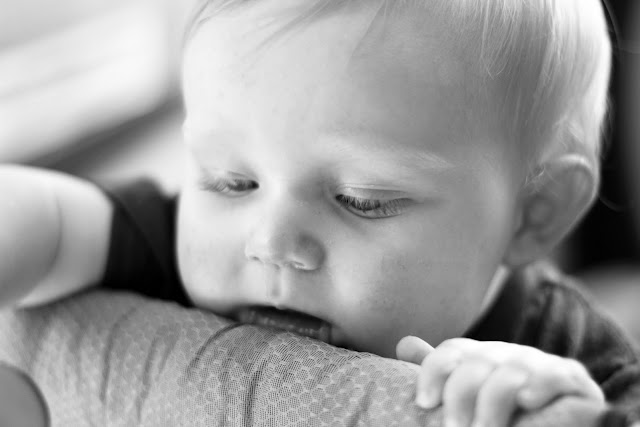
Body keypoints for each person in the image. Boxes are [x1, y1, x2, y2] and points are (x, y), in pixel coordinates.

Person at [1, 0, 638, 426]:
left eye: (362, 199)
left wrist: (555, 401)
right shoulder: (180, 238)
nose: (271, 242)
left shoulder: (567, 350)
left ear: (533, 214)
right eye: (231, 181)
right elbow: (50, 223)